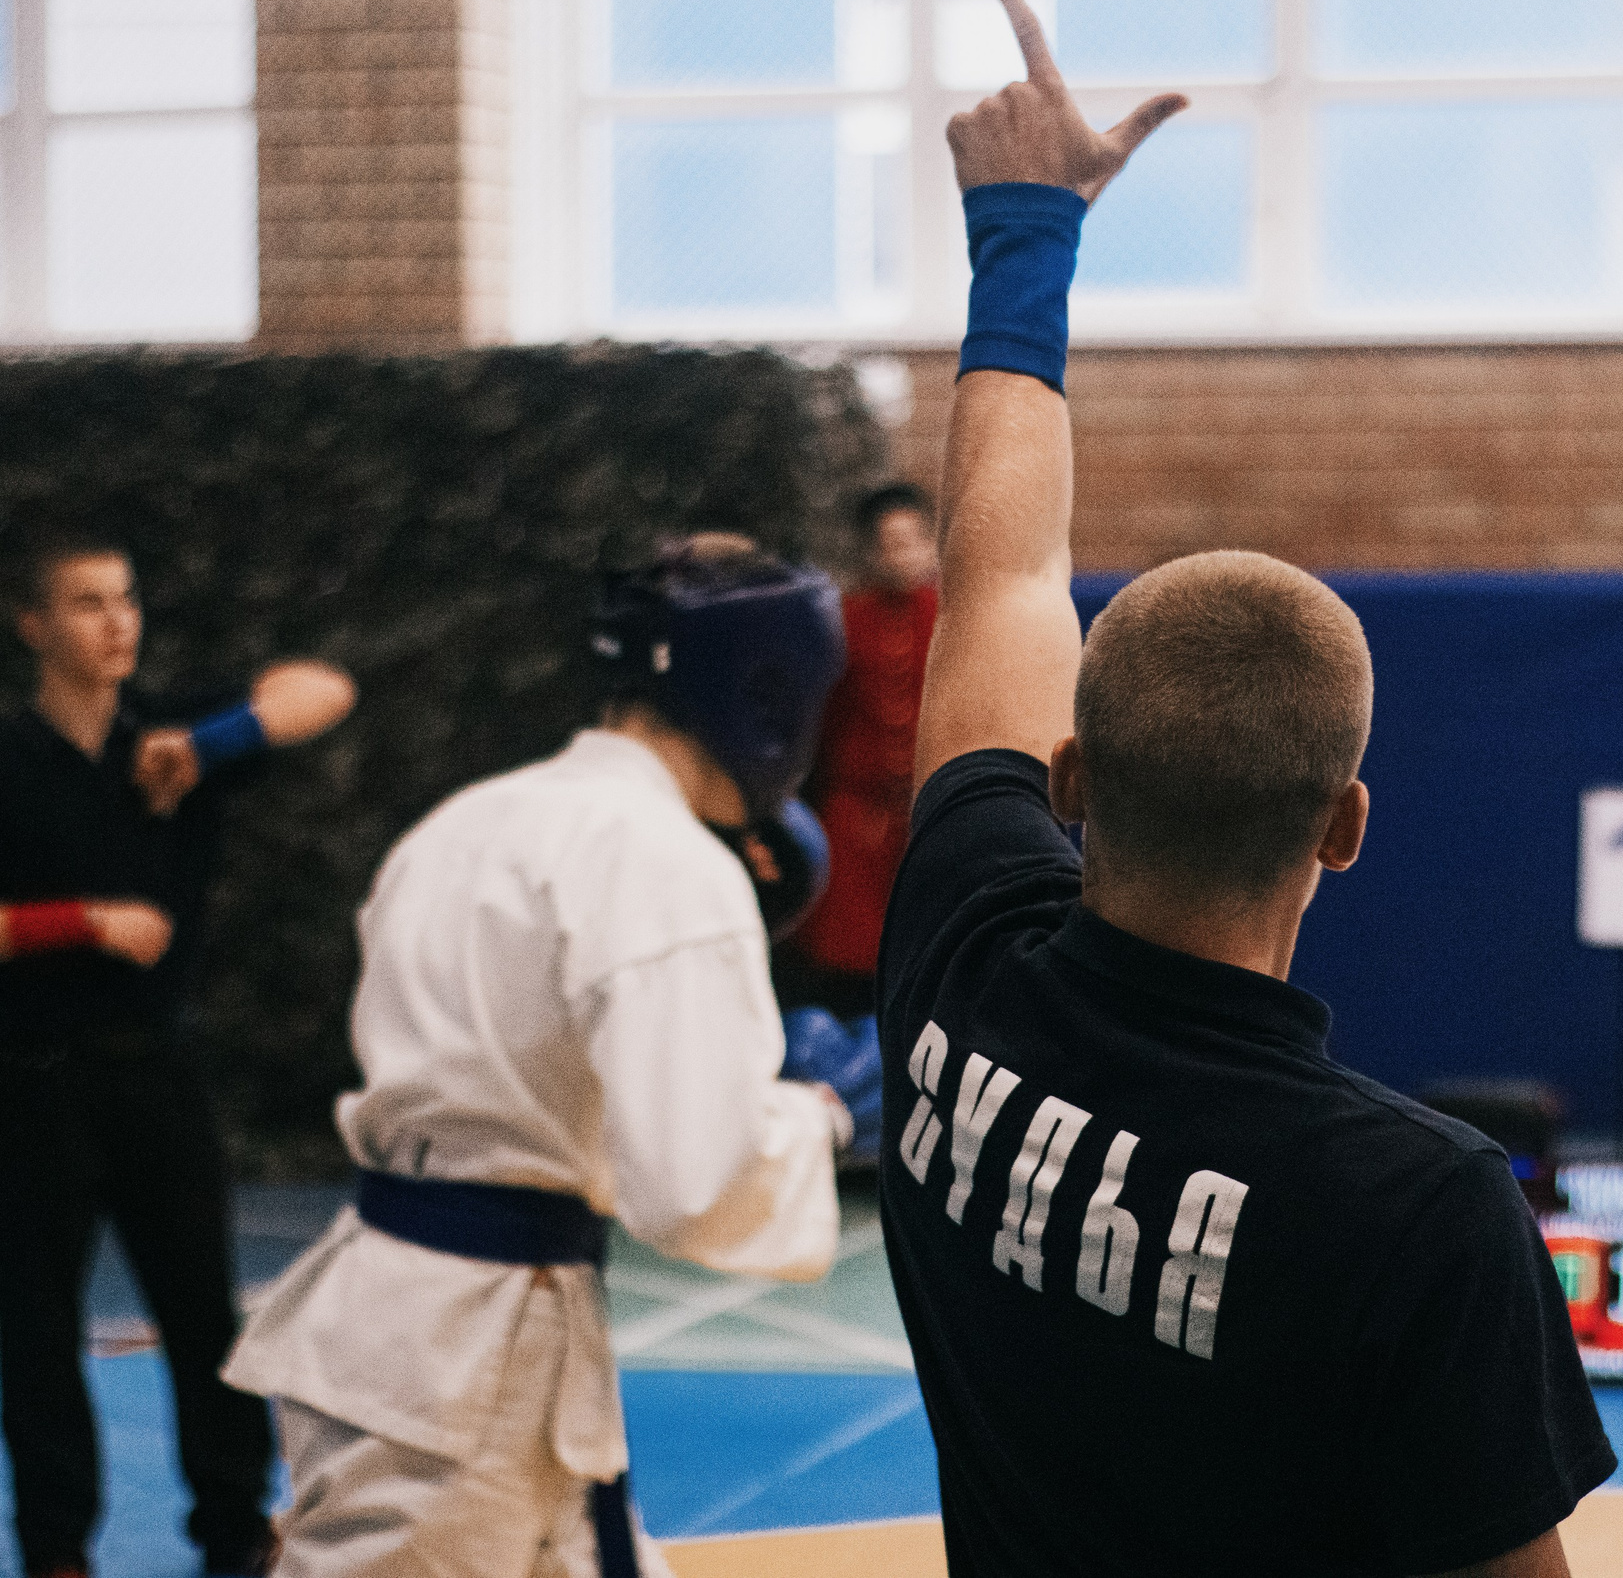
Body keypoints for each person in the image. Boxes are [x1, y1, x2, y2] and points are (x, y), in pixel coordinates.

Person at [873, 0, 1615, 1578]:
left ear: (1070, 778)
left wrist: (1025, 232)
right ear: (1344, 826)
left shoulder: (957, 945)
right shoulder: (1419, 1205)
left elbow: (1000, 576)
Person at [224, 535, 874, 1578]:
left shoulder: (470, 821)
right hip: (469, 1361)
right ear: (773, 690)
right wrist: (826, 1113)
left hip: (406, 1318)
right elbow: (694, 1188)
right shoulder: (664, 865)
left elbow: (523, 1083)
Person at [0, 525, 356, 1578]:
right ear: (33, 626)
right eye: (86, 603)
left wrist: (222, 740)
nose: (118, 622)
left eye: (127, 600)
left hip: (156, 1072)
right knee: (35, 1331)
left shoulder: (173, 736)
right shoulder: (8, 757)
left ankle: (235, 1529)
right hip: (29, 1083)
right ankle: (59, 1547)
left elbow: (323, 688)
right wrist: (85, 921)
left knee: (207, 1313)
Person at [777, 482, 940, 1028]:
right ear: (870, 550)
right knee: (844, 953)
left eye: (914, 541)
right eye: (889, 544)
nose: (902, 555)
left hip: (924, 817)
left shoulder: (952, 617)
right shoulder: (841, 620)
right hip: (854, 816)